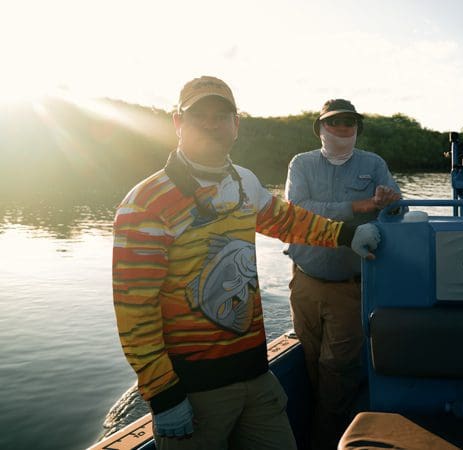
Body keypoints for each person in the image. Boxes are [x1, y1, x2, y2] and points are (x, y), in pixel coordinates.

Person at [112, 77, 380, 450]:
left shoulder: (244, 183)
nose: (211, 123)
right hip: (195, 392)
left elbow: (288, 220)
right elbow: (134, 309)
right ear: (177, 122)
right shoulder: (145, 204)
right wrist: (163, 394)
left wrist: (345, 235)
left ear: (236, 124)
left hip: (257, 378)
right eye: (198, 115)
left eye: (221, 115)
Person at [284, 98, 401, 450]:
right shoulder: (301, 164)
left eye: (349, 122)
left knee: (336, 371)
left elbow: (397, 213)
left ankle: (326, 441)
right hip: (303, 282)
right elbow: (297, 210)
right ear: (320, 128)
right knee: (309, 361)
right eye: (333, 123)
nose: (341, 129)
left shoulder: (374, 164)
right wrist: (358, 206)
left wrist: (391, 201)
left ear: (357, 129)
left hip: (349, 289)